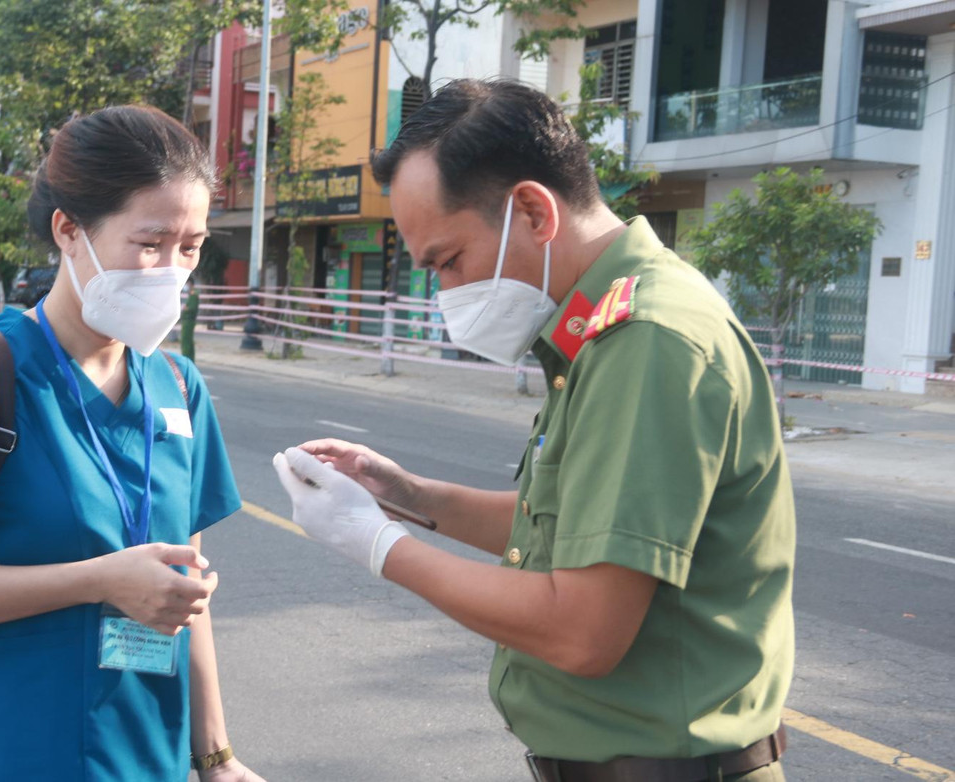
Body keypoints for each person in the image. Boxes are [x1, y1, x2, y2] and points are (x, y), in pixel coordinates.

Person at [272, 79, 795, 781]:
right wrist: (405, 493)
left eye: (449, 261)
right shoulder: (602, 329)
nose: (447, 294)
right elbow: (573, 530)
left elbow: (582, 632)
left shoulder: (647, 340)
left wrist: (376, 543)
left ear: (532, 211)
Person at [0, 105, 262, 782]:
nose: (171, 270)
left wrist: (216, 756)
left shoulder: (177, 386)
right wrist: (99, 580)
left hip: (146, 760)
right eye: (150, 242)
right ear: (69, 230)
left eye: (191, 247)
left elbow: (184, 590)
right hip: (5, 757)